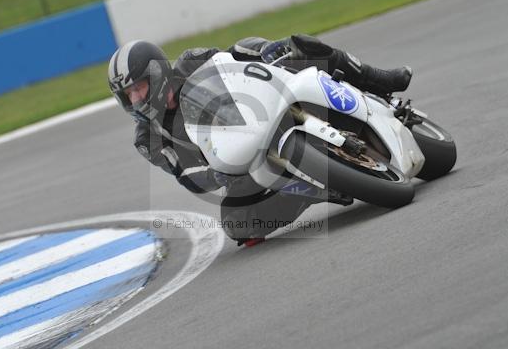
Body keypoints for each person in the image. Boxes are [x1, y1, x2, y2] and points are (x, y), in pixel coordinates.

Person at [107, 34, 412, 245]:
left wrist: (268, 50)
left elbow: (234, 56)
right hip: (238, 164)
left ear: (158, 72)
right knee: (235, 224)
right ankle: (312, 188)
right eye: (128, 95)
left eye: (140, 87)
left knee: (301, 48)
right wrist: (215, 174)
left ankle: (380, 79)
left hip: (260, 107)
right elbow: (183, 173)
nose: (136, 99)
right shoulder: (148, 137)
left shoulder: (190, 62)